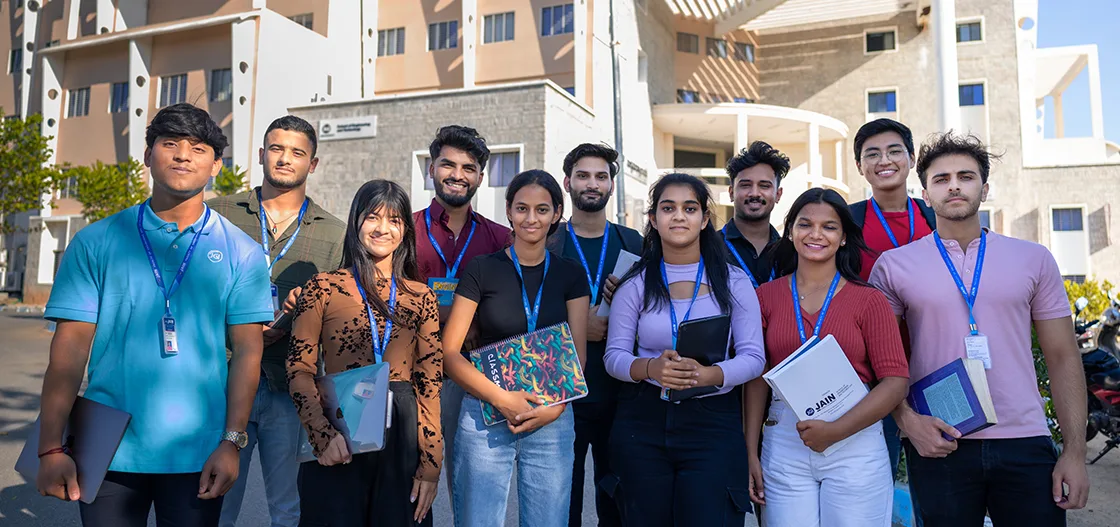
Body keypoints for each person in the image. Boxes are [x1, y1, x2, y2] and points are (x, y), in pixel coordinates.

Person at [35, 103, 273, 526]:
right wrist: (51, 447)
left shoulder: (243, 252)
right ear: (148, 156)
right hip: (107, 445)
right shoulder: (97, 242)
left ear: (216, 165)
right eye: (170, 143)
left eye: (198, 148)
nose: (183, 155)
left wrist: (232, 442)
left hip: (199, 448)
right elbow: (68, 352)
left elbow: (248, 353)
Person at [870, 132, 1090, 526]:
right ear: (925, 193)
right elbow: (881, 359)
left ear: (984, 189)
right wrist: (907, 421)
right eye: (941, 179)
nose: (953, 185)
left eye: (965, 176)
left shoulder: (1034, 259)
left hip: (1025, 440)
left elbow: (1062, 355)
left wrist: (1074, 451)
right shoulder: (892, 265)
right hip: (939, 439)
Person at [603, 172, 765, 526]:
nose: (679, 216)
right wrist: (650, 369)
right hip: (643, 421)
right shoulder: (636, 282)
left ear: (705, 219)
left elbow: (754, 358)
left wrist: (710, 375)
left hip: (712, 422)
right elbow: (614, 357)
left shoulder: (734, 281)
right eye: (668, 208)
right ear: (653, 219)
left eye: (690, 208)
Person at [207, 115, 345, 527]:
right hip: (220, 380)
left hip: (289, 387)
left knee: (288, 509)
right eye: (277, 149)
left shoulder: (335, 234)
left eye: (297, 152)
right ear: (263, 153)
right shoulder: (219, 214)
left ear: (313, 164)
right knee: (214, 500)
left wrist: (305, 316)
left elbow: (339, 317)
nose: (285, 159)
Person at [744, 187, 909, 527]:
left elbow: (895, 382)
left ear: (844, 237)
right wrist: (749, 451)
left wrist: (835, 431)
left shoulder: (869, 300)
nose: (816, 234)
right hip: (785, 439)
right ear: (790, 231)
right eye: (805, 224)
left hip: (855, 438)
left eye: (829, 227)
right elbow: (756, 378)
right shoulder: (765, 297)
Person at [286, 180, 443, 526]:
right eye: (373, 217)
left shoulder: (421, 297)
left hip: (401, 432)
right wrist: (322, 436)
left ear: (405, 231)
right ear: (356, 221)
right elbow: (299, 369)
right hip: (339, 428)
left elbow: (429, 383)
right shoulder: (323, 286)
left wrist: (431, 464)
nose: (383, 229)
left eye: (395, 220)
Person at [442, 170, 590, 527]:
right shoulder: (482, 269)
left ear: (557, 213)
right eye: (522, 208)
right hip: (484, 412)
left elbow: (578, 356)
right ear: (508, 211)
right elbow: (449, 354)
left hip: (551, 414)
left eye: (542, 209)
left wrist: (553, 411)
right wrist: (501, 399)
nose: (531, 218)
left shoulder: (571, 274)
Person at [412, 125, 511, 498]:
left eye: (468, 168)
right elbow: (389, 297)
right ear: (431, 170)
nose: (457, 174)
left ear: (481, 178)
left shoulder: (501, 239)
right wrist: (454, 313)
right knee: (407, 488)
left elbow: (508, 305)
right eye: (447, 164)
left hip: (472, 379)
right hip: (410, 375)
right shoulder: (404, 229)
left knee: (469, 493)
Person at [546, 143, 641, 527]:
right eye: (583, 175)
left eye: (601, 176)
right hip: (561, 390)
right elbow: (527, 310)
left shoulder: (633, 241)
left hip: (618, 393)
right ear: (567, 183)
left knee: (616, 498)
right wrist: (578, 324)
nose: (592, 183)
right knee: (560, 498)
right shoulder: (549, 240)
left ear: (611, 185)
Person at [848, 118, 937, 495]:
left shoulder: (935, 217)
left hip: (934, 366)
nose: (884, 160)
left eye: (894, 150)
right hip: (871, 375)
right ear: (860, 166)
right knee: (873, 488)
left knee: (937, 488)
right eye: (872, 154)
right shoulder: (847, 222)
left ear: (912, 158)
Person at [720, 141, 789, 287]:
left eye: (764, 186)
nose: (755, 193)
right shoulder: (708, 246)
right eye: (745, 185)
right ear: (731, 193)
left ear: (778, 194)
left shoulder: (791, 252)